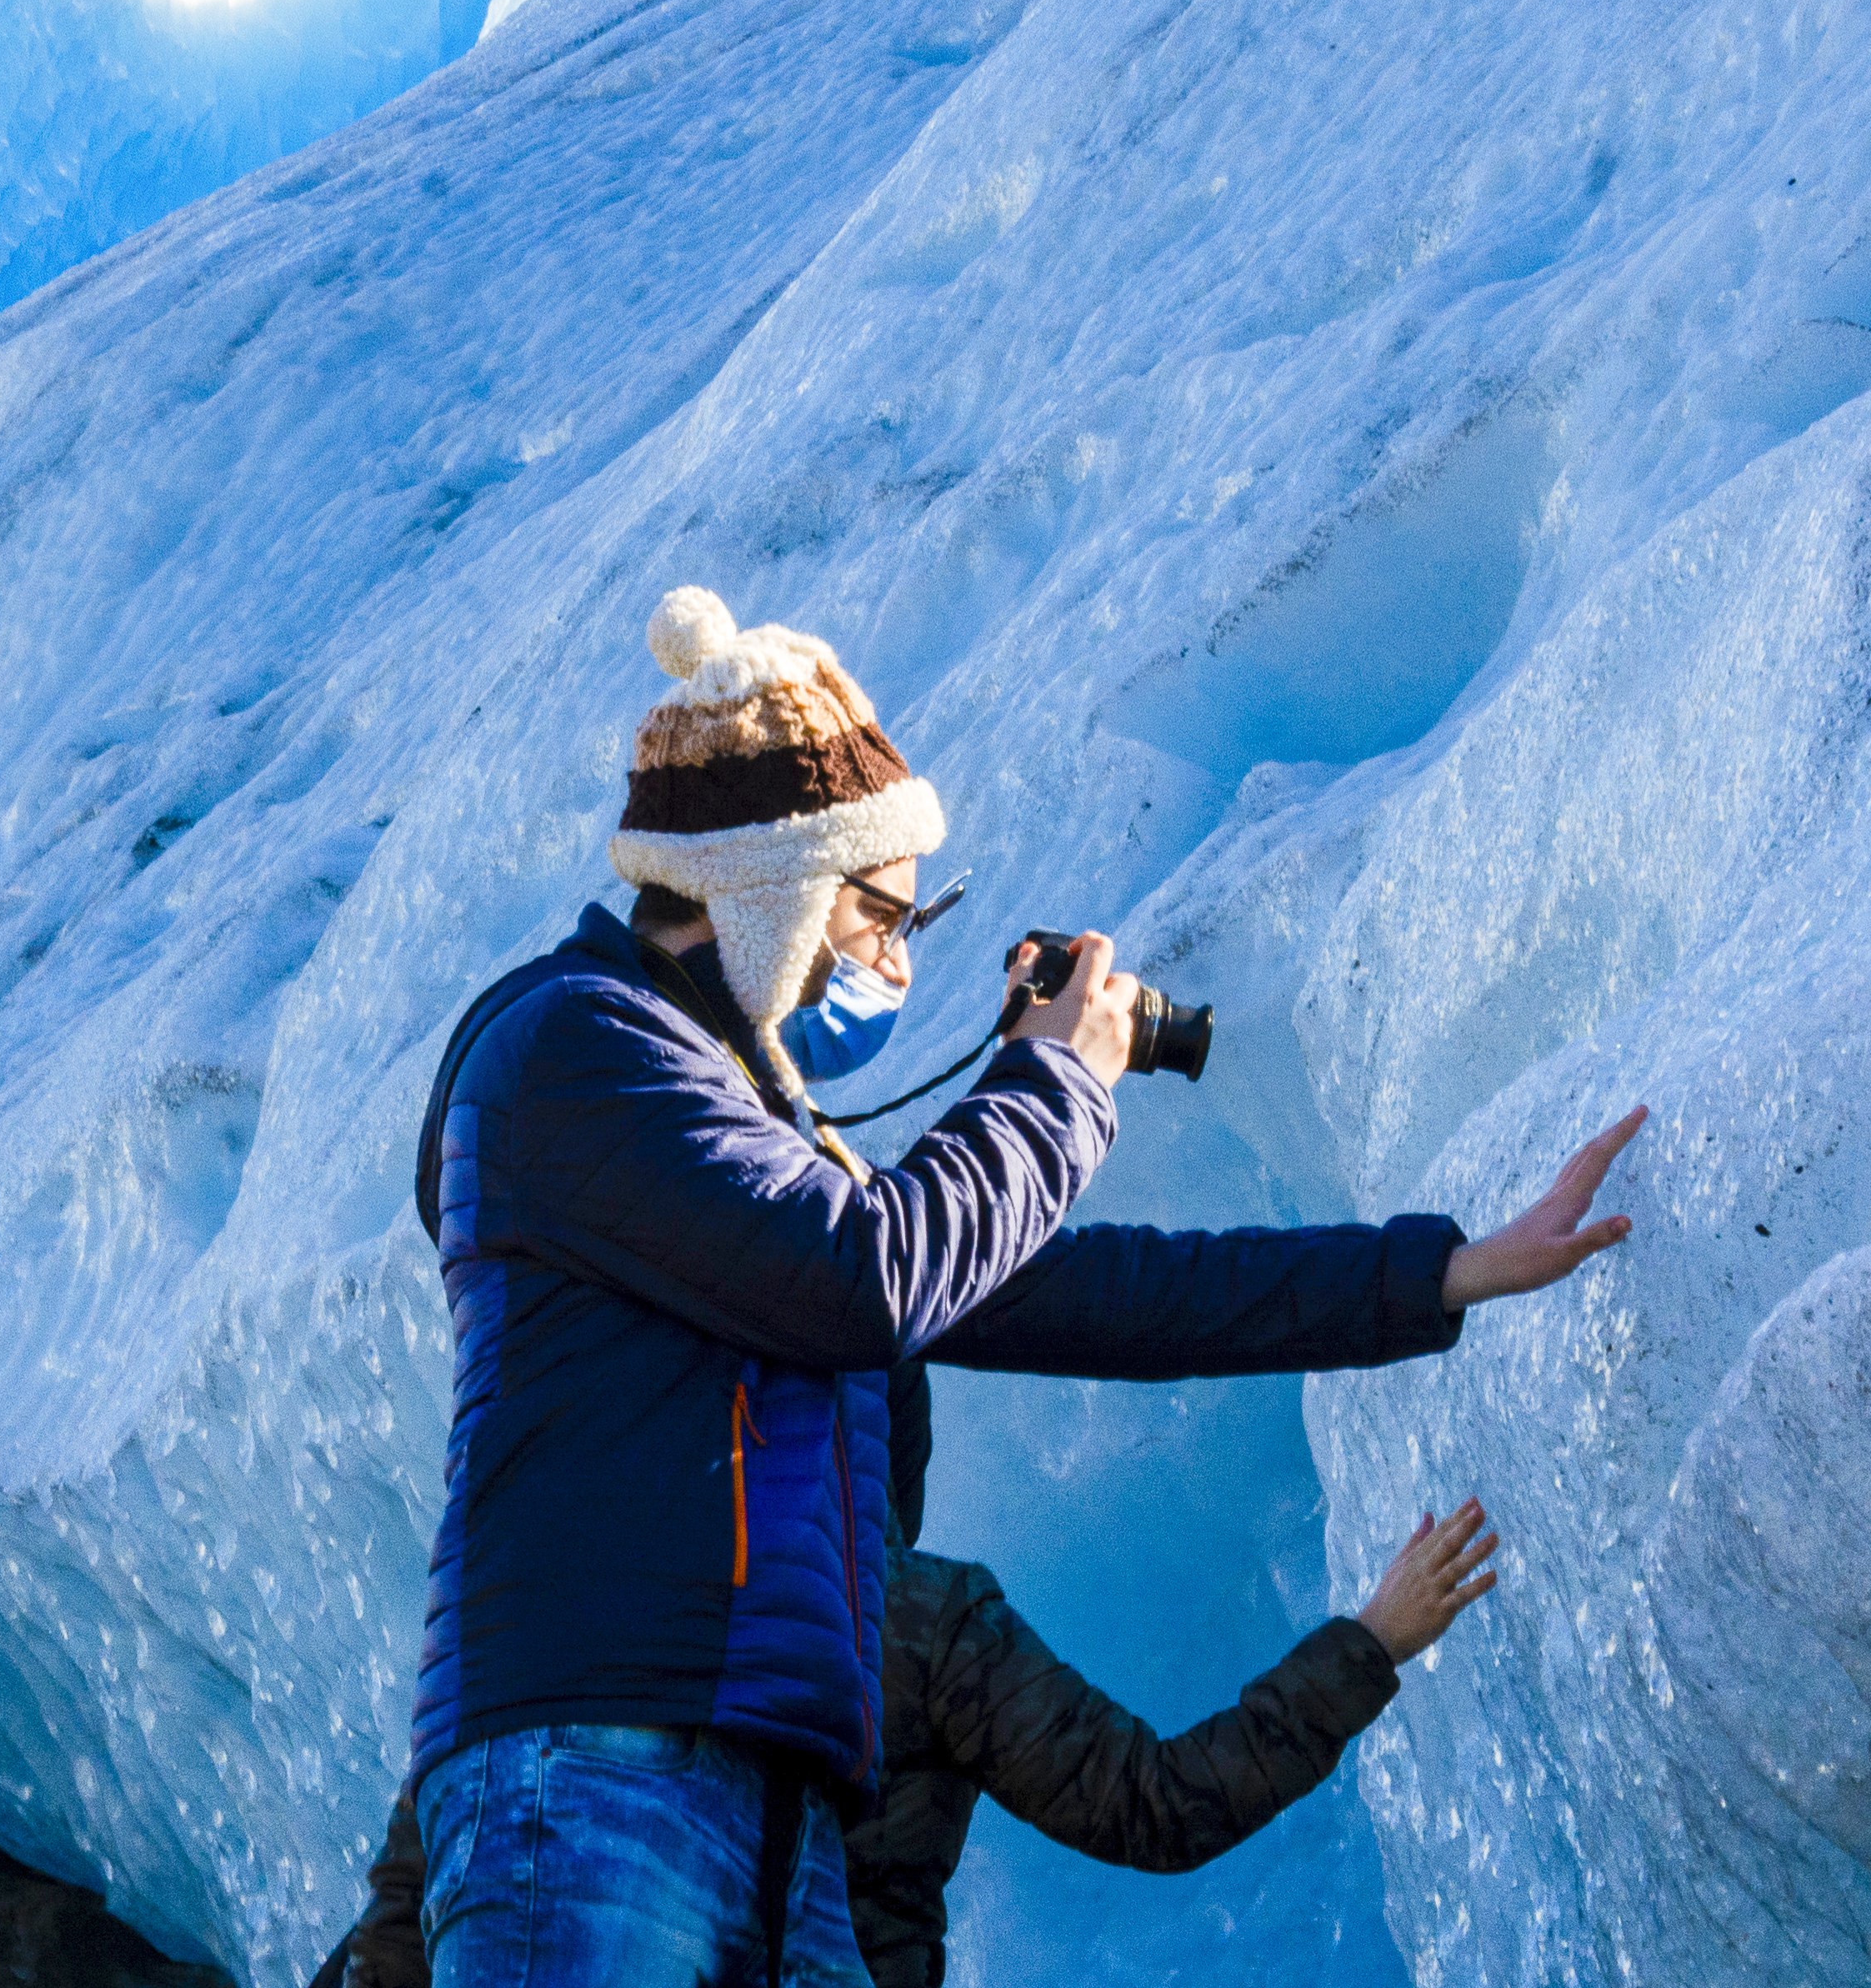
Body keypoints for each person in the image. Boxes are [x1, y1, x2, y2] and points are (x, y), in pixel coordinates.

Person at [401, 586, 1642, 1988]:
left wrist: (1445, 1271)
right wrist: (1054, 1079)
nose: (895, 956)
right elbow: (871, 1281)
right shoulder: (575, 1049)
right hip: (604, 1761)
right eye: (881, 912)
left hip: (770, 1789)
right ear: (770, 888)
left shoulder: (728, 1138)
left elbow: (1093, 1297)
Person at [313, 1505, 1503, 1988]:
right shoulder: (915, 1620)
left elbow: (399, 1933)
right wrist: (1368, 1643)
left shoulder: (549, 1613)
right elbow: (1158, 1805)